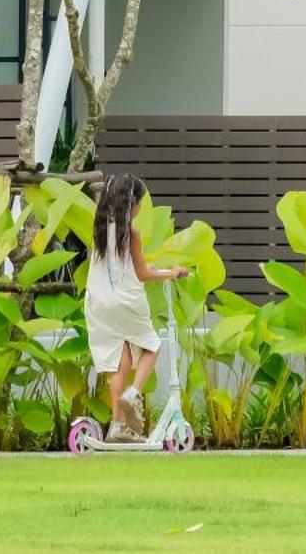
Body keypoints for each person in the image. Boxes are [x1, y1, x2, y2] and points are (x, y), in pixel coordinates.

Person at [85, 174, 187, 442]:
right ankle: (133, 394)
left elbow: (117, 267)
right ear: (133, 204)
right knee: (152, 346)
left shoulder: (98, 230)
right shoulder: (131, 233)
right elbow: (141, 274)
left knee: (120, 365)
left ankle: (119, 428)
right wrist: (170, 272)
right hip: (127, 300)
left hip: (99, 303)